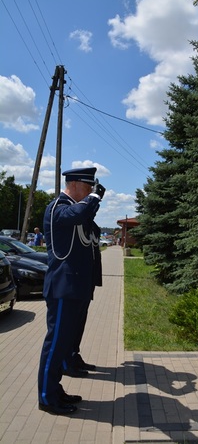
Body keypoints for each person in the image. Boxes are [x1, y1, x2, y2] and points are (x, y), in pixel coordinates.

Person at [38, 167, 105, 415]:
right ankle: (46, 397)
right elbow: (78, 214)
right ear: (75, 184)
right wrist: (94, 198)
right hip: (63, 288)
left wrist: (92, 201)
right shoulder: (58, 207)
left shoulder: (73, 206)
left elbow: (89, 226)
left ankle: (55, 390)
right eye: (87, 188)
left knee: (64, 343)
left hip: (74, 287)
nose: (89, 192)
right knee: (55, 345)